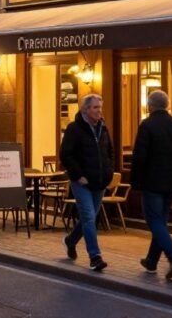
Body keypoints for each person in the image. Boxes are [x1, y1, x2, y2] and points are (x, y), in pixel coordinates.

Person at [130, 90, 172, 281]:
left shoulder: (147, 125)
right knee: (161, 221)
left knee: (154, 221)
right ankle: (151, 261)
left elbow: (139, 157)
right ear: (168, 105)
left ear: (150, 106)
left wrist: (135, 181)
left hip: (152, 182)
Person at [60, 93, 115, 272]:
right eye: (95, 108)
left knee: (88, 218)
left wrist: (109, 173)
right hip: (82, 182)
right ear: (85, 109)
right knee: (90, 218)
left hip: (100, 181)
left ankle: (71, 240)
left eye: (100, 107)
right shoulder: (74, 129)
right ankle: (95, 257)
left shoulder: (103, 128)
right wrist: (78, 175)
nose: (99, 111)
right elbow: (66, 154)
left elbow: (109, 152)